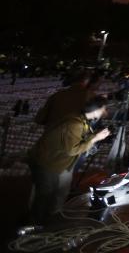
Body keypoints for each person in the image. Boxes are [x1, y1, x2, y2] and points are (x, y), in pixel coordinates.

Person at [26, 95, 111, 224]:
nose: (106, 112)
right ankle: (35, 224)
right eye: (103, 109)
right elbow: (72, 150)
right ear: (95, 110)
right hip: (48, 162)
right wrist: (95, 138)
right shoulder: (74, 124)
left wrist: (94, 136)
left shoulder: (80, 119)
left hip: (58, 162)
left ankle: (49, 219)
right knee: (44, 195)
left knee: (57, 192)